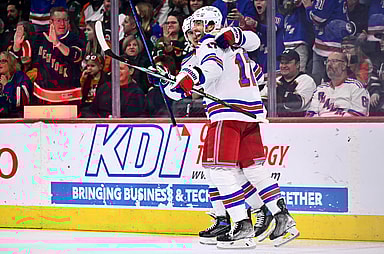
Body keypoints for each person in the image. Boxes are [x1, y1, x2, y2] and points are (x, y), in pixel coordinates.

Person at [172, 6, 299, 248]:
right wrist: (180, 83)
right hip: (251, 114)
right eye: (193, 27)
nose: (195, 32)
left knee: (219, 171)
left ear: (211, 24)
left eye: (200, 25)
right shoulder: (235, 45)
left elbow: (212, 69)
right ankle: (283, 217)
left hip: (227, 114)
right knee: (253, 170)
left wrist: (190, 79)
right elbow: (257, 73)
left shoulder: (209, 45)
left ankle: (241, 225)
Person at [31, 7, 84, 105]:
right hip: (43, 94)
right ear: (51, 22)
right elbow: (26, 60)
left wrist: (57, 43)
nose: (62, 24)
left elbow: (75, 55)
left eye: (65, 20)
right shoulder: (40, 37)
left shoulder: (75, 38)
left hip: (68, 96)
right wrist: (17, 46)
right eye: (58, 20)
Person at [302, 0, 353, 85]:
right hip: (325, 44)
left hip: (330, 45)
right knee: (322, 83)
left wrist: (308, 7)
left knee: (331, 81)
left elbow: (318, 18)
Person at [306, 52, 370, 117]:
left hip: (346, 126)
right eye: (327, 61)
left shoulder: (356, 87)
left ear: (344, 65)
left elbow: (358, 115)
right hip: (322, 126)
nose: (329, 64)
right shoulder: (320, 89)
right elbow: (310, 115)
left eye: (334, 61)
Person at [262, 49, 316, 117]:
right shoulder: (276, 81)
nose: (283, 66)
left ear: (297, 64)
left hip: (298, 123)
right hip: (276, 121)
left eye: (287, 62)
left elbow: (296, 104)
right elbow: (262, 103)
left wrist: (278, 91)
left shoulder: (306, 80)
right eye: (282, 63)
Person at [279, 0, 314, 73]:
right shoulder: (287, 11)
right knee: (287, 73)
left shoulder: (302, 9)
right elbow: (283, 7)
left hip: (300, 42)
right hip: (287, 42)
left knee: (299, 72)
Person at [0, 51, 33, 118]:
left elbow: (23, 98)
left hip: (17, 119)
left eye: (3, 61)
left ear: (11, 62)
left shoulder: (20, 76)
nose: (0, 64)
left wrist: (7, 85)